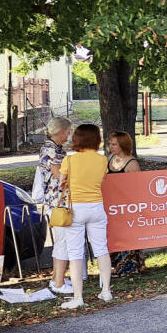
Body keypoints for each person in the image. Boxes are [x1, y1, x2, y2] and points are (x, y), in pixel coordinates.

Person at [57, 124, 113, 309]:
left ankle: (78, 297)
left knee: (74, 252)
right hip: (96, 206)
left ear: (77, 139)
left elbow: (61, 181)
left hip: (76, 208)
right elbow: (102, 180)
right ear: (97, 139)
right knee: (101, 249)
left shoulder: (70, 160)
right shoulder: (102, 159)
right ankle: (106, 290)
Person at [41, 116, 75, 294]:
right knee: (64, 241)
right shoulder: (52, 150)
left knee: (63, 240)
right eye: (68, 131)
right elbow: (59, 176)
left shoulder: (54, 148)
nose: (69, 135)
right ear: (62, 131)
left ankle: (56, 278)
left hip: (57, 201)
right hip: (58, 202)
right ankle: (59, 283)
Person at [106, 131, 144, 276]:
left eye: (114, 144)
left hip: (127, 207)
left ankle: (130, 267)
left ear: (123, 144)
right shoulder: (111, 159)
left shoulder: (131, 163)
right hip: (113, 206)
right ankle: (115, 266)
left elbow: (136, 187)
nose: (111, 146)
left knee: (128, 237)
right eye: (110, 143)